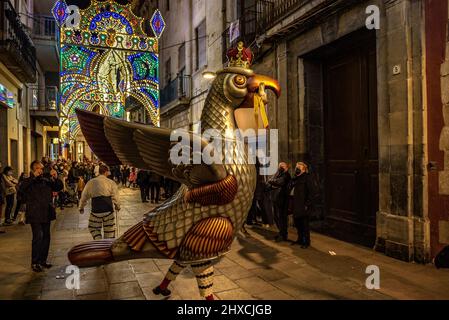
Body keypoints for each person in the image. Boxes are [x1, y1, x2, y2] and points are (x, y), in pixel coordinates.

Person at [20, 161, 62, 272]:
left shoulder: (46, 180)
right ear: (33, 169)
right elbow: (21, 190)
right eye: (38, 168)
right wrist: (33, 178)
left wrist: (55, 177)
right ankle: (35, 262)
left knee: (46, 237)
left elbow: (58, 187)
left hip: (46, 212)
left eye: (42, 168)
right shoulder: (28, 181)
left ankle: (43, 260)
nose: (41, 170)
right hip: (34, 213)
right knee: (37, 237)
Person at [79, 165, 121, 240]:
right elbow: (115, 196)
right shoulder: (111, 182)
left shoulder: (91, 182)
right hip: (108, 210)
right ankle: (107, 245)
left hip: (96, 210)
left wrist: (81, 207)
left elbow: (84, 196)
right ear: (105, 172)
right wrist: (117, 205)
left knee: (94, 228)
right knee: (109, 231)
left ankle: (98, 241)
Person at [289, 162, 319, 248]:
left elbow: (312, 192)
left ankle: (306, 242)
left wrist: (307, 204)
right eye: (296, 167)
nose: (297, 169)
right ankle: (300, 239)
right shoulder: (296, 178)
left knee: (304, 224)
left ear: (304, 169)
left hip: (303, 205)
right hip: (296, 204)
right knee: (298, 224)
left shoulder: (307, 178)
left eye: (299, 168)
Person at [266, 162, 291, 242]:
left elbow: (279, 182)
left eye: (282, 166)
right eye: (279, 166)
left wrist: (272, 182)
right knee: (276, 217)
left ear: (286, 167)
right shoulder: (278, 174)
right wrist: (272, 183)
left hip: (282, 200)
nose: (280, 167)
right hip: (275, 198)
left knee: (282, 217)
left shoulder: (286, 175)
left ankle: (284, 235)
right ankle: (280, 232)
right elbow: (269, 182)